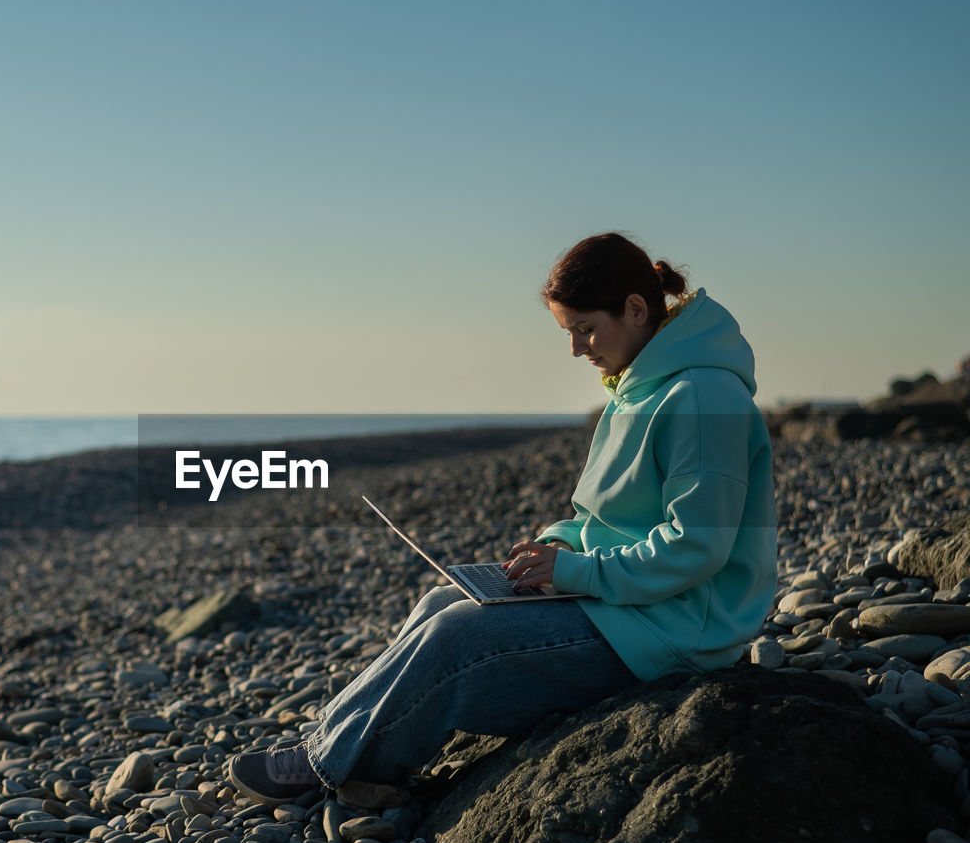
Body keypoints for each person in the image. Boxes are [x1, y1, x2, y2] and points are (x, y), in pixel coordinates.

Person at [226, 231, 778, 806]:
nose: (576, 349)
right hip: (636, 603)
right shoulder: (642, 385)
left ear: (636, 310)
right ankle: (341, 752)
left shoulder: (699, 396)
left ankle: (327, 766)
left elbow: (696, 547)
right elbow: (616, 519)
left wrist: (573, 574)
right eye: (569, 333)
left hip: (681, 628)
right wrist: (551, 551)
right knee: (441, 604)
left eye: (585, 329)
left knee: (460, 634)